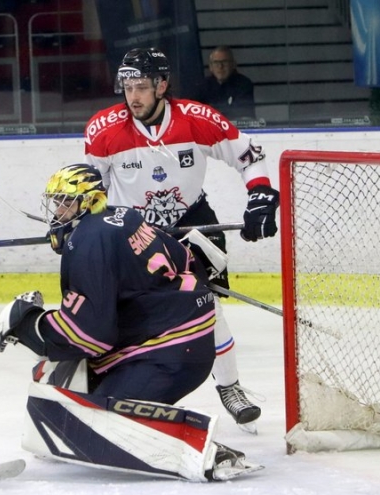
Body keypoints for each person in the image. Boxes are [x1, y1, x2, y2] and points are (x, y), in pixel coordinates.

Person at [0, 163, 257, 481]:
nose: (57, 211)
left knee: (88, 430)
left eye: (66, 202)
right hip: (179, 339)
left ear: (89, 202)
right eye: (56, 202)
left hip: (169, 352)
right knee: (74, 394)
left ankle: (206, 453)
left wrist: (32, 327)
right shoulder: (124, 215)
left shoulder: (87, 242)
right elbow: (187, 258)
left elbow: (90, 337)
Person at [83, 47, 280, 431]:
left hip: (191, 225)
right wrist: (80, 227)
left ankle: (230, 387)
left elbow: (249, 154)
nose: (133, 97)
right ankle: (103, 384)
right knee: (117, 311)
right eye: (127, 87)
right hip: (133, 230)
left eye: (141, 87)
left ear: (162, 84)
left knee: (207, 306)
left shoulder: (196, 119)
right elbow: (93, 190)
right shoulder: (103, 130)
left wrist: (259, 193)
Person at [193, 46, 255, 120]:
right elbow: (194, 114)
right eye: (216, 63)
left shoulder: (243, 84)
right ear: (211, 67)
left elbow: (243, 114)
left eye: (224, 62)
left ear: (233, 64)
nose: (220, 66)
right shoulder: (202, 86)